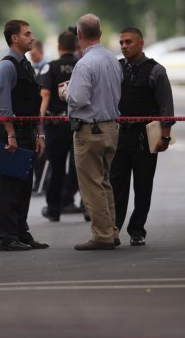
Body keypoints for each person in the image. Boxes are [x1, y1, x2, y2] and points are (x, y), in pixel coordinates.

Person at [111, 27, 174, 246]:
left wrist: (164, 137)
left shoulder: (156, 71)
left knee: (143, 186)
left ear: (140, 44)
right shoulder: (116, 68)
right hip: (119, 137)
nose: (124, 46)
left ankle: (137, 230)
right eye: (121, 43)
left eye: (128, 42)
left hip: (145, 137)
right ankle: (114, 229)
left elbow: (166, 106)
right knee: (116, 186)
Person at [65, 13, 122, 251]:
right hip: (110, 127)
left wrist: (64, 92)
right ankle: (112, 230)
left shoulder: (85, 63)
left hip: (91, 131)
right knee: (104, 181)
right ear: (99, 32)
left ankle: (102, 235)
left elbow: (78, 99)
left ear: (79, 35)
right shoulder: (112, 59)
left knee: (92, 185)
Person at [0, 19, 48, 252]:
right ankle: (7, 237)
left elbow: (33, 103)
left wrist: (39, 135)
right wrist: (11, 136)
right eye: (27, 34)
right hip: (11, 135)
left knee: (24, 187)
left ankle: (21, 233)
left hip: (27, 133)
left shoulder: (25, 64)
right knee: (10, 189)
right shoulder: (6, 67)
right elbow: (3, 106)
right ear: (14, 38)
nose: (32, 37)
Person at [38, 30, 86, 222]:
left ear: (58, 47)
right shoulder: (82, 66)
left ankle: (53, 208)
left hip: (56, 124)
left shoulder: (50, 67)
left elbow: (45, 95)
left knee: (56, 167)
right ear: (76, 47)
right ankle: (87, 207)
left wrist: (38, 123)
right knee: (81, 167)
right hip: (79, 123)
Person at [27, 40, 48, 194]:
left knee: (43, 153)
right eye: (31, 54)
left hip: (44, 117)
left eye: (34, 54)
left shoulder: (47, 68)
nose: (32, 57)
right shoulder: (32, 68)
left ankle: (43, 182)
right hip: (36, 116)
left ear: (41, 52)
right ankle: (38, 181)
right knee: (36, 152)